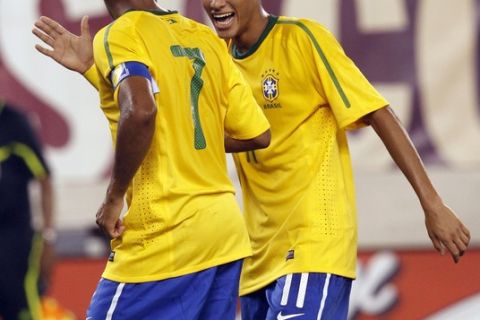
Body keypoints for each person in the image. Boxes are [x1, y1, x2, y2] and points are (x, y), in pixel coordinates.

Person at [33, 1, 471, 319]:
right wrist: (95, 72)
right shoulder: (212, 53)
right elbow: (193, 129)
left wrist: (432, 204)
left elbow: (378, 112)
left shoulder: (301, 40)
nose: (215, 3)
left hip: (312, 244)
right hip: (252, 253)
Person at [33, 0, 271, 319]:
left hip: (165, 234)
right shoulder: (206, 39)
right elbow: (257, 134)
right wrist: (94, 70)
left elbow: (142, 111)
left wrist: (114, 197)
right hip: (222, 234)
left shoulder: (122, 32)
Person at [0, 102, 56, 320]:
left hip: (14, 238)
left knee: (19, 305)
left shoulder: (14, 122)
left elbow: (45, 180)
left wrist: (49, 237)